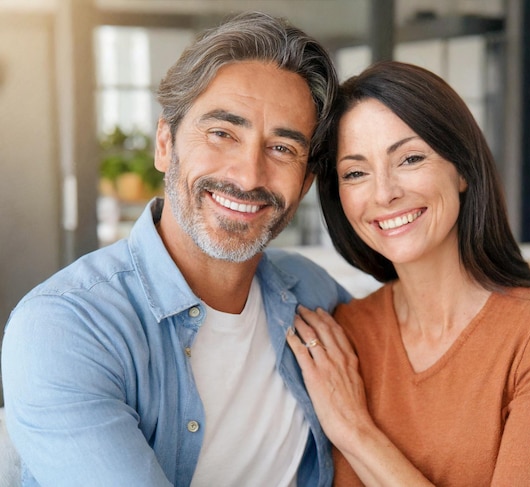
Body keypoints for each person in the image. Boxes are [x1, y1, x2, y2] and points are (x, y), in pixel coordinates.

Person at [1, 12, 350, 487]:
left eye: (283, 149)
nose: (248, 176)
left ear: (306, 181)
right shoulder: (64, 328)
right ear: (165, 143)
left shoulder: (314, 293)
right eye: (223, 133)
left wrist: (359, 432)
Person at [286, 61, 530, 486]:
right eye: (356, 173)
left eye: (410, 158)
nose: (385, 193)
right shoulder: (346, 334)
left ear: (464, 170)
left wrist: (355, 432)